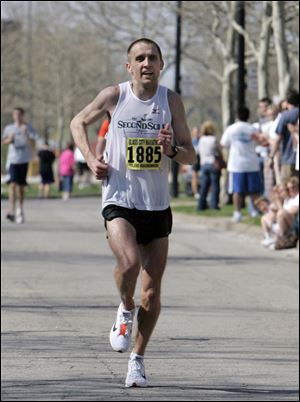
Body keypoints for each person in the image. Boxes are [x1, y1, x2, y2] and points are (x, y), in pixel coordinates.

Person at [70, 37, 196, 388]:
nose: (146, 63)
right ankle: (125, 308)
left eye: (152, 58)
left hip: (156, 204)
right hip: (119, 197)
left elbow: (191, 154)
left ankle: (136, 360)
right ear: (129, 66)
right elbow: (77, 122)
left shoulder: (170, 101)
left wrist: (172, 150)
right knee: (128, 265)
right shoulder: (115, 96)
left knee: (152, 293)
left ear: (161, 64)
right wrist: (91, 158)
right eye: (139, 58)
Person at [220, 106, 268, 223]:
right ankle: (255, 211)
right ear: (248, 116)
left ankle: (238, 213)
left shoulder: (231, 129)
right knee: (254, 191)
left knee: (237, 191)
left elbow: (223, 144)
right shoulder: (252, 128)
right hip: (252, 163)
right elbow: (262, 142)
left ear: (237, 116)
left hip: (236, 164)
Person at [2, 107, 38, 223]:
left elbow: (34, 143)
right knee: (12, 184)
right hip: (12, 160)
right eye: (15, 114)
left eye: (19, 114)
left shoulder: (28, 127)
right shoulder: (9, 128)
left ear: (22, 116)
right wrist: (9, 138)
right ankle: (11, 210)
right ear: (13, 116)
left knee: (21, 187)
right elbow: (4, 142)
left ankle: (20, 209)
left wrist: (26, 135)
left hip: (24, 160)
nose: (17, 116)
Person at [269, 90, 299, 181]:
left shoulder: (286, 116)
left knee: (288, 187)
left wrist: (271, 156)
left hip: (288, 157)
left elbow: (278, 138)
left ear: (287, 102)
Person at [197, 121, 223, 211]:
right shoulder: (213, 139)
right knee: (215, 185)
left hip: (203, 164)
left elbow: (199, 152)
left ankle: (201, 205)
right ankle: (214, 205)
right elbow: (218, 152)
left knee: (204, 186)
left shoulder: (201, 139)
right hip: (213, 163)